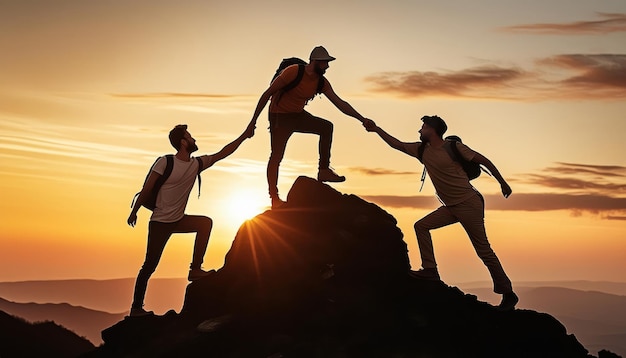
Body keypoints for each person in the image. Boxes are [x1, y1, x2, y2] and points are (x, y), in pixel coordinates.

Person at [364, 116, 519, 311]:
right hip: (451, 207)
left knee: (483, 250)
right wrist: (376, 129)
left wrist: (503, 183)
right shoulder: (421, 150)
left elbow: (484, 160)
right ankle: (430, 270)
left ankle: (508, 294)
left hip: (469, 204)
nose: (419, 130)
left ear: (433, 130)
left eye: (423, 127)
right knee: (421, 226)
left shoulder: (453, 147)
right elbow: (397, 144)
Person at [127, 124, 253, 317]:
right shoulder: (165, 162)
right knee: (150, 265)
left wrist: (244, 136)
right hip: (160, 223)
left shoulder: (196, 164)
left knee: (205, 223)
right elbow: (147, 187)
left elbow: (222, 153)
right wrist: (134, 211)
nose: (194, 139)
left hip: (178, 220)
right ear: (183, 142)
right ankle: (136, 308)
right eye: (190, 136)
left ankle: (195, 269)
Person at [248, 46, 368, 208]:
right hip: (279, 118)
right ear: (315, 62)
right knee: (276, 156)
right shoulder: (293, 72)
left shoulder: (321, 82)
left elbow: (340, 103)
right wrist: (252, 122)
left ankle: (323, 170)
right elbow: (267, 94)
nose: (327, 66)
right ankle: (274, 198)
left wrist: (362, 119)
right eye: (325, 63)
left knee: (326, 127)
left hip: (298, 116)